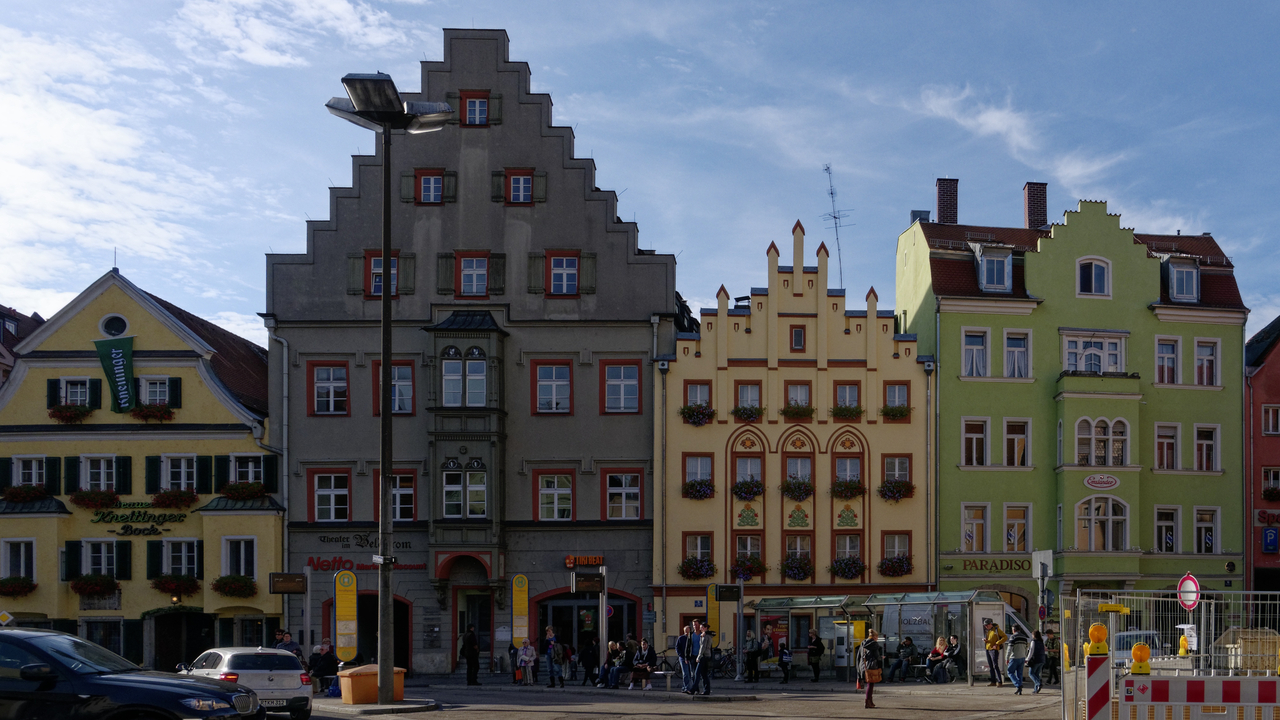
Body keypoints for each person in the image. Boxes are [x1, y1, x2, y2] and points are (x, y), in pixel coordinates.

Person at [858, 629, 883, 709]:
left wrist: (859, 669)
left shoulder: (863, 643)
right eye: (877, 637)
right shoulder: (874, 644)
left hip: (863, 666)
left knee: (869, 683)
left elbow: (859, 656)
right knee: (870, 684)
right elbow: (877, 656)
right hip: (871, 666)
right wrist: (881, 659)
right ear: (875, 637)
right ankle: (868, 702)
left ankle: (870, 701)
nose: (877, 638)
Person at [983, 618, 1008, 687]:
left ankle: (999, 681)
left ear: (990, 624)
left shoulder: (997, 630)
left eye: (987, 625)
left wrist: (997, 643)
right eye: (985, 625)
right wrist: (986, 640)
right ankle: (993, 681)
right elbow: (990, 640)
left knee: (995, 665)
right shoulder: (988, 631)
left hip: (994, 650)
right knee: (991, 666)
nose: (986, 626)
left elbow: (1005, 637)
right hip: (988, 649)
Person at [1006, 627, 1029, 695]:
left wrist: (1007, 658)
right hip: (1022, 657)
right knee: (1019, 673)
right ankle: (1019, 690)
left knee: (1010, 672)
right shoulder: (1024, 637)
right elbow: (1026, 648)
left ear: (1014, 630)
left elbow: (1009, 648)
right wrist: (1025, 657)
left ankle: (1018, 685)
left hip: (1014, 657)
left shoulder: (1013, 637)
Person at [694, 625, 713, 695]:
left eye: (702, 627)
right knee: (704, 674)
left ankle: (693, 689)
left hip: (703, 656)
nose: (700, 628)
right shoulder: (708, 635)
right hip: (707, 655)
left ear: (705, 628)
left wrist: (699, 657)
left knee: (697, 673)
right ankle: (706, 690)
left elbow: (703, 647)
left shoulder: (705, 636)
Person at [675, 626, 694, 692]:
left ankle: (685, 687)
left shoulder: (691, 638)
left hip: (690, 658)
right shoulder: (681, 638)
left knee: (690, 673)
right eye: (685, 630)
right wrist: (681, 655)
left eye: (687, 630)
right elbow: (677, 648)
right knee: (686, 673)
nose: (686, 632)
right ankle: (686, 688)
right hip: (683, 658)